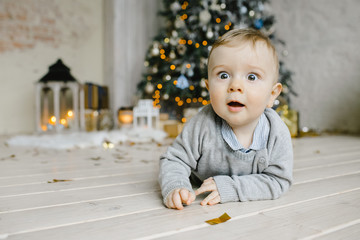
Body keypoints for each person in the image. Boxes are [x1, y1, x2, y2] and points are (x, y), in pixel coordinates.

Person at [159, 28, 293, 210]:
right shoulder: (202, 125)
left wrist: (231, 188)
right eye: (223, 75)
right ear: (208, 87)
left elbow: (277, 181)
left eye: (252, 77)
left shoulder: (276, 133)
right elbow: (174, 160)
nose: (235, 86)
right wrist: (175, 186)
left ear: (272, 94)